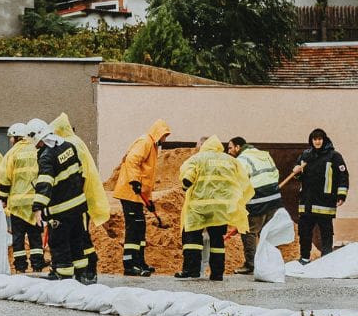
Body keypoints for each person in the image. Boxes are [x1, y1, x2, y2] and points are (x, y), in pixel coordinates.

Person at [175, 136, 251, 282]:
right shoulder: (229, 160)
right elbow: (243, 181)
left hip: (199, 208)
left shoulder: (198, 158)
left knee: (192, 238)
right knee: (217, 241)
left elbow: (188, 177)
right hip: (220, 210)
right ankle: (217, 274)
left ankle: (192, 270)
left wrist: (185, 187)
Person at [48, 113, 109, 281]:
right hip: (80, 199)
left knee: (80, 234)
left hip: (78, 200)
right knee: (77, 234)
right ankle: (82, 271)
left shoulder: (71, 145)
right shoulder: (75, 142)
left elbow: (78, 174)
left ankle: (89, 269)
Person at [113, 119, 170, 277]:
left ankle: (140, 261)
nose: (165, 139)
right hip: (130, 192)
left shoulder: (152, 146)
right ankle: (130, 265)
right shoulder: (145, 142)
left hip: (138, 195)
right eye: (164, 135)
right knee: (134, 227)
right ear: (158, 132)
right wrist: (134, 181)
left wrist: (148, 199)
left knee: (140, 227)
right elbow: (132, 160)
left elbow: (147, 176)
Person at [284, 128, 348, 262]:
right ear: (311, 141)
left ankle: (326, 259)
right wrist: (297, 171)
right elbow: (299, 177)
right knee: (304, 232)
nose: (317, 141)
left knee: (326, 232)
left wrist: (341, 195)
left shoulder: (334, 156)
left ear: (324, 140)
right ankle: (305, 258)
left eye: (320, 139)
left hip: (325, 201)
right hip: (307, 201)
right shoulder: (305, 156)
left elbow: (343, 176)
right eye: (315, 139)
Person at [225, 136, 283, 274]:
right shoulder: (263, 154)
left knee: (248, 231)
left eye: (230, 147)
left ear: (238, 147)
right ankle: (268, 263)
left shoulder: (242, 160)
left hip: (257, 199)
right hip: (274, 198)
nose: (228, 151)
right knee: (267, 233)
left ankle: (251, 265)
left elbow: (239, 183)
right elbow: (276, 173)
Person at [0, 122, 46, 273]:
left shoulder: (13, 153)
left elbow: (4, 178)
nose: (11, 140)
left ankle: (20, 267)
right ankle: (37, 266)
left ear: (17, 137)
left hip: (17, 204)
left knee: (18, 237)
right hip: (35, 202)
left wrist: (3, 199)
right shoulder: (37, 150)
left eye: (12, 137)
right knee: (35, 236)